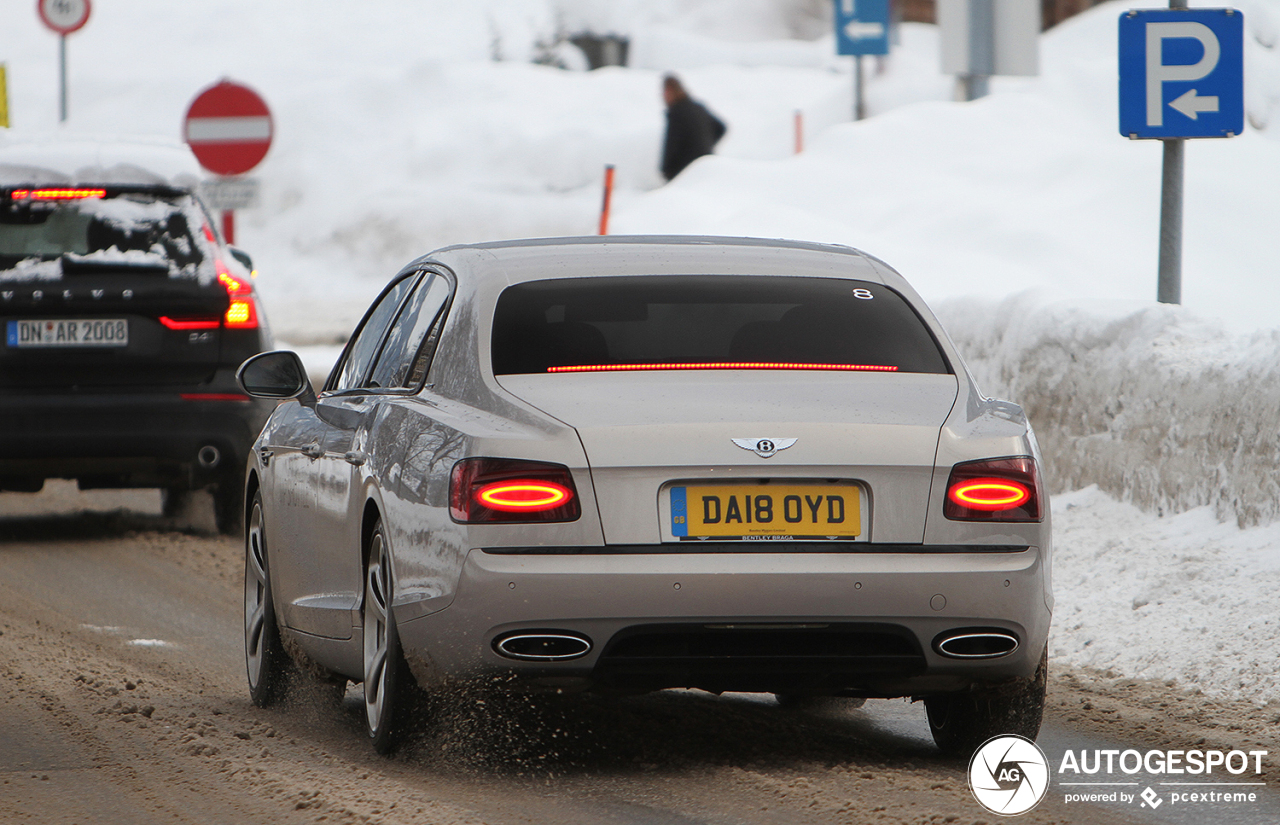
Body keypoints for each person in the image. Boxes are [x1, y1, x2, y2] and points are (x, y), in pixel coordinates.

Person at [660, 74, 726, 182]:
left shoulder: (677, 112)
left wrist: (666, 169)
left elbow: (672, 144)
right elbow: (721, 128)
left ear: (671, 91)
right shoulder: (698, 107)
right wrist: (706, 144)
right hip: (707, 165)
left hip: (686, 172)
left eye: (666, 92)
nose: (664, 96)